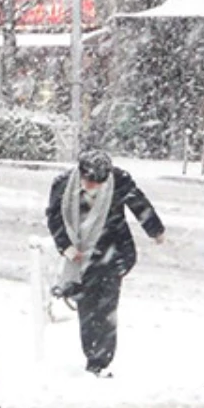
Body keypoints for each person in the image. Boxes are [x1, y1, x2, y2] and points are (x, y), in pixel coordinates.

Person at [45, 150, 165, 378]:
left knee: (107, 307)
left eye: (98, 182)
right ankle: (92, 355)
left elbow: (139, 204)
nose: (93, 186)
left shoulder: (118, 180)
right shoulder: (62, 185)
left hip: (114, 251)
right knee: (87, 308)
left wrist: (155, 230)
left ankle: (101, 360)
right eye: (89, 181)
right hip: (81, 256)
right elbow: (54, 217)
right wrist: (67, 247)